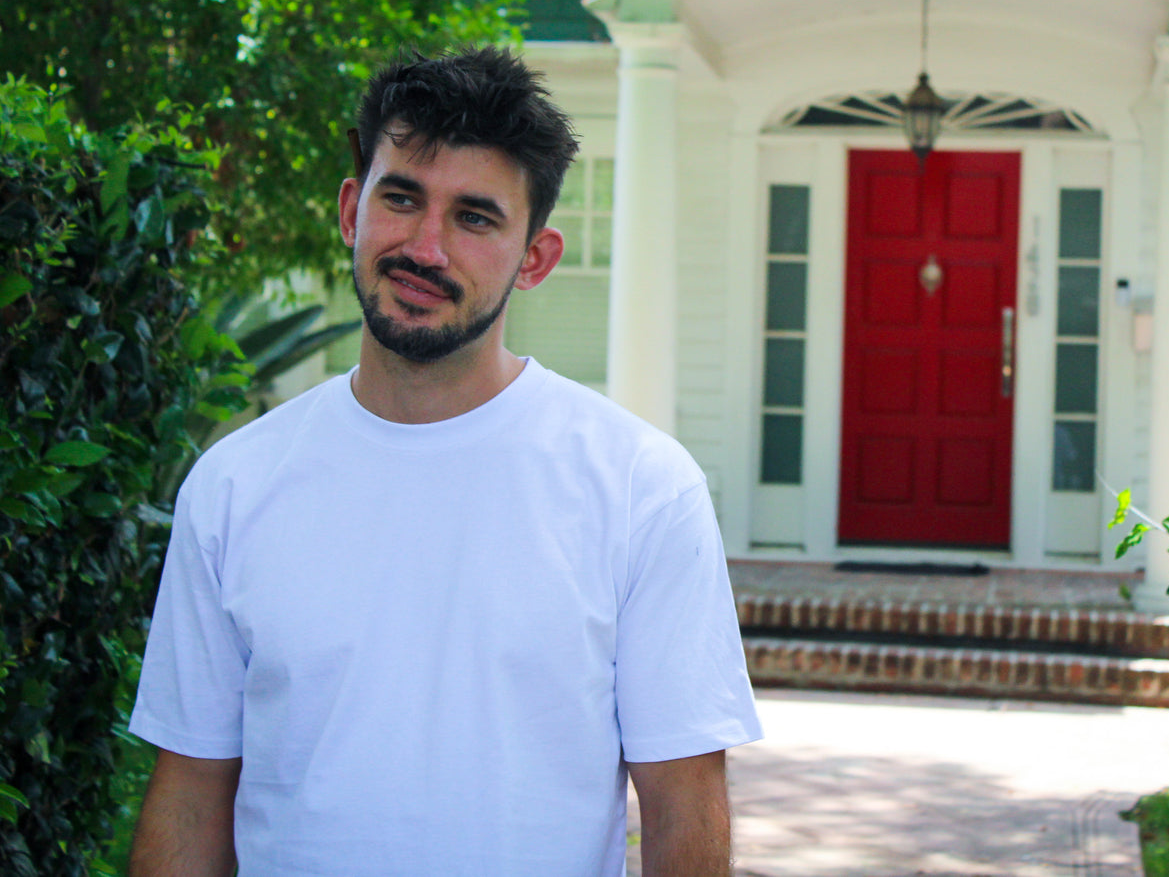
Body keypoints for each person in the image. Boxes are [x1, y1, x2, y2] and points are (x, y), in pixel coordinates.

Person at [127, 46, 763, 876]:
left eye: (474, 217)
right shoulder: (235, 483)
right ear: (352, 210)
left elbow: (684, 811)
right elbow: (189, 795)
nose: (425, 248)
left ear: (533, 257)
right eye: (401, 198)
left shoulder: (640, 485)